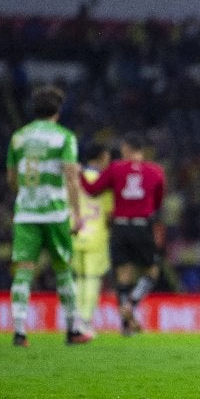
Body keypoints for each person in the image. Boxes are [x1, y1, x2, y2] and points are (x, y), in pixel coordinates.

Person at [6, 84, 92, 346]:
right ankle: (72, 329)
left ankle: (19, 331)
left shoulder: (18, 137)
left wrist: (28, 196)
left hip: (26, 214)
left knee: (23, 271)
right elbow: (71, 177)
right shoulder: (64, 137)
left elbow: (11, 179)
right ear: (58, 110)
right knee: (63, 269)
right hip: (54, 213)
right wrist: (77, 215)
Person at [80, 132, 165, 337]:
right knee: (152, 271)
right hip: (141, 226)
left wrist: (79, 174)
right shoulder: (155, 172)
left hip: (119, 227)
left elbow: (92, 190)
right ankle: (131, 303)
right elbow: (157, 203)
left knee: (123, 275)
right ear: (142, 151)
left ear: (126, 149)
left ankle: (126, 326)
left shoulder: (115, 168)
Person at [72, 142, 113, 337]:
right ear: (103, 156)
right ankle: (85, 321)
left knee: (78, 278)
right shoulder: (103, 180)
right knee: (91, 279)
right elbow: (109, 211)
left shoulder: (74, 179)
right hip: (96, 234)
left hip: (75, 232)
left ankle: (75, 321)